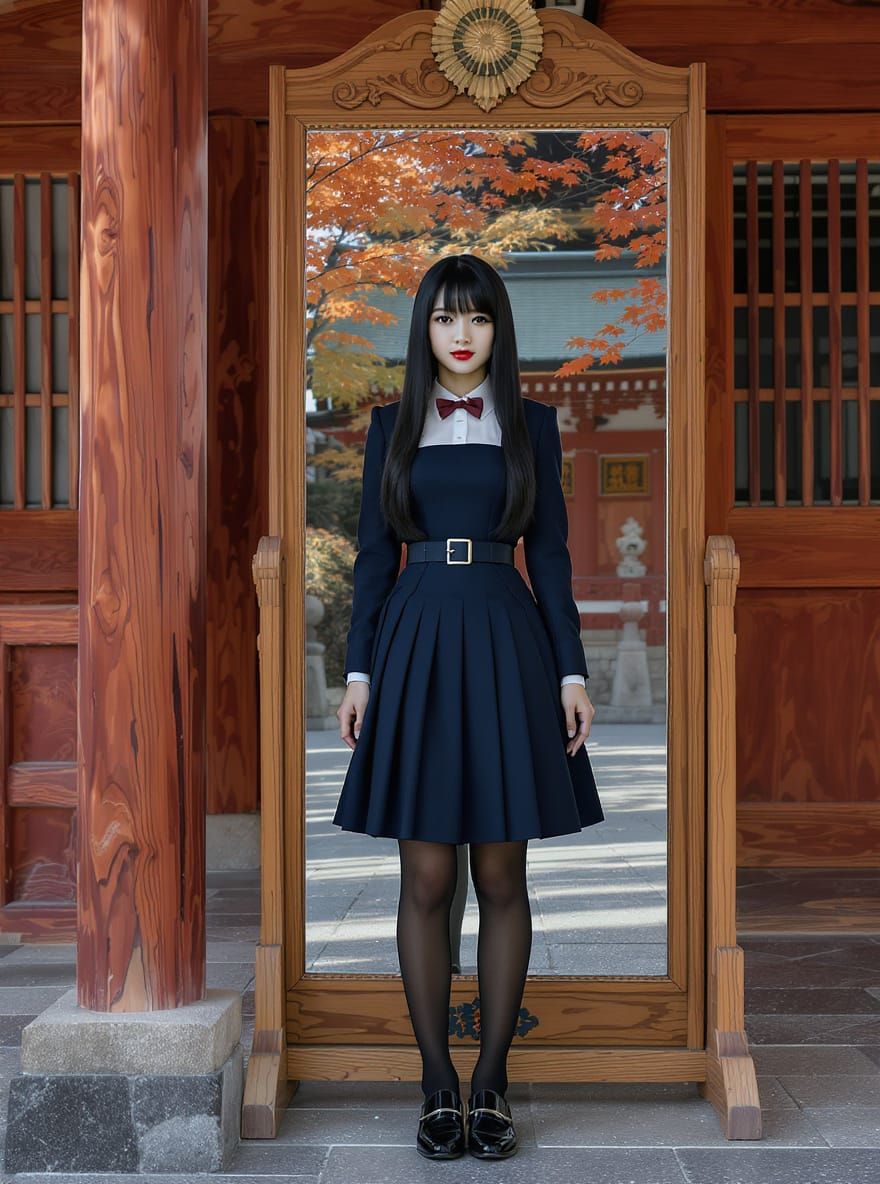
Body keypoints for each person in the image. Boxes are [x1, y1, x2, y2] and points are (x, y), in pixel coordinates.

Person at [334, 254, 605, 1160]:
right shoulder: (389, 427)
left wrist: (571, 671)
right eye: (447, 318)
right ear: (425, 329)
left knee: (500, 877)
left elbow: (555, 557)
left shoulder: (532, 424)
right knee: (426, 878)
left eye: (478, 319)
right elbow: (374, 558)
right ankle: (434, 1083)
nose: (461, 334)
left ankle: (490, 1082)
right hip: (412, 641)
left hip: (506, 638)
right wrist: (360, 672)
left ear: (498, 329)